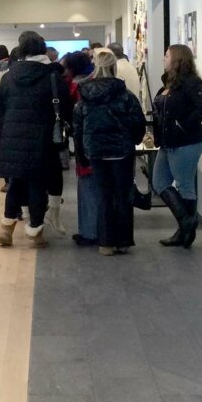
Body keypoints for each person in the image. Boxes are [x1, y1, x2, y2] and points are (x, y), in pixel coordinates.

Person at [0, 30, 71, 248]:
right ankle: (35, 232)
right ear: (43, 49)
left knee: (16, 182)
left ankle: (6, 229)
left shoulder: (8, 77)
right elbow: (65, 108)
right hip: (42, 139)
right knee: (37, 184)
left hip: (12, 139)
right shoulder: (53, 77)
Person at [73, 49, 146, 255]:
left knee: (104, 196)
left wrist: (81, 155)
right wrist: (135, 140)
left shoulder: (84, 96)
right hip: (122, 151)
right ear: (114, 67)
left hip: (95, 151)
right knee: (123, 196)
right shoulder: (125, 95)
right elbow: (137, 121)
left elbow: (78, 127)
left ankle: (105, 243)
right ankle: (123, 241)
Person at [153, 43, 202, 248]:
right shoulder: (168, 81)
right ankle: (187, 223)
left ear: (177, 59)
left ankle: (184, 232)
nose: (163, 58)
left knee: (185, 184)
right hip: (167, 142)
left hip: (187, 141)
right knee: (159, 181)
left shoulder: (190, 82)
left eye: (167, 55)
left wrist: (182, 125)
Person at [63, 51, 100, 246]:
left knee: (87, 188)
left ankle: (89, 231)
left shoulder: (77, 89)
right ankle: (93, 229)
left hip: (85, 144)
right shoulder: (99, 83)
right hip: (100, 143)